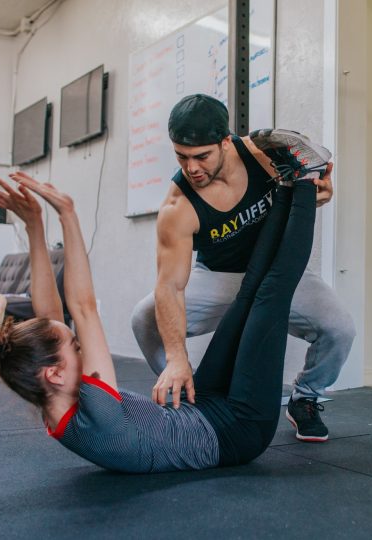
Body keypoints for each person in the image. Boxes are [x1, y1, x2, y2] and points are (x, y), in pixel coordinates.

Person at [0, 160, 318, 474]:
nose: (83, 348)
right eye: (75, 347)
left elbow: (53, 316)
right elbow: (84, 308)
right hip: (239, 430)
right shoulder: (99, 413)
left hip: (200, 407)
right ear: (55, 373)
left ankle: (284, 183)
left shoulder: (48, 394)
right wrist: (68, 214)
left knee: (248, 294)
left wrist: (34, 226)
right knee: (272, 293)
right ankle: (305, 178)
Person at [131, 94, 356, 442]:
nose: (192, 168)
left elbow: (316, 184)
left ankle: (305, 397)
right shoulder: (178, 207)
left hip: (278, 272)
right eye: (182, 157)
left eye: (201, 156)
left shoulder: (263, 154)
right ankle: (183, 389)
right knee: (144, 318)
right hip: (219, 278)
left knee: (339, 329)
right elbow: (170, 287)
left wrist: (321, 190)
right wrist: (177, 357)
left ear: (226, 142)